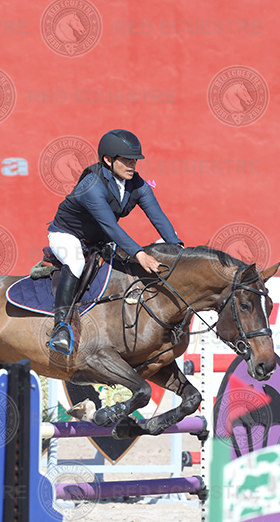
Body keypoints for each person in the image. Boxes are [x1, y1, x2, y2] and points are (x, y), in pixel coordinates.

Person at [46, 129, 183, 355]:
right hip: (67, 235)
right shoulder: (91, 185)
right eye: (126, 160)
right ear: (108, 160)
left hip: (100, 237)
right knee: (76, 261)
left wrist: (177, 247)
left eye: (135, 160)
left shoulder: (136, 184)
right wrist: (140, 254)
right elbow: (111, 226)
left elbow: (158, 216)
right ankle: (60, 327)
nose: (132, 165)